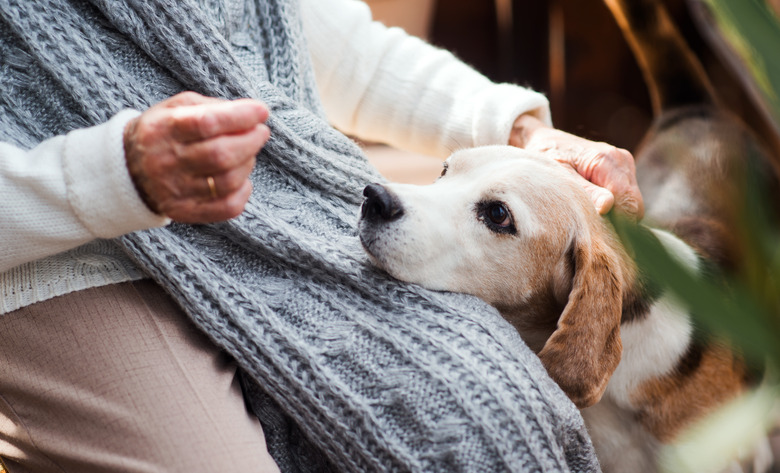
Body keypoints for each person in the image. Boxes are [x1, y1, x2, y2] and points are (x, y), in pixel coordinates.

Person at [0, 0, 642, 472]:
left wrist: (522, 133)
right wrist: (115, 176)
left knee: (501, 419)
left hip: (284, 219)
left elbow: (340, 51)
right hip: (67, 258)